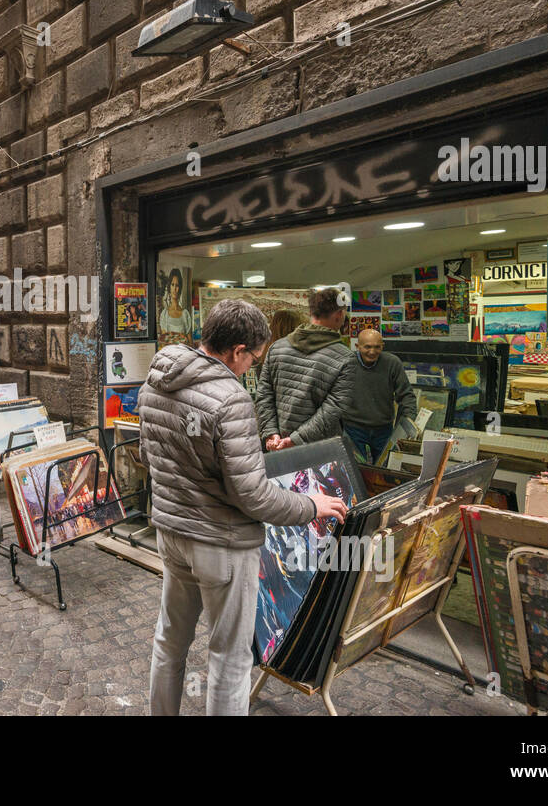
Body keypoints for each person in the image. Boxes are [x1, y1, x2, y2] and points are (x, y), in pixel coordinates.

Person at [138, 298, 348, 716]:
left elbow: (149, 457)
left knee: (169, 641)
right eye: (253, 357)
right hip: (221, 545)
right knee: (231, 660)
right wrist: (310, 503)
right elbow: (252, 493)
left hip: (172, 534)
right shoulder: (231, 399)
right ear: (237, 351)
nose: (252, 366)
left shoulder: (156, 380)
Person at [254, 287, 356, 451]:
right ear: (339, 315)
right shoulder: (346, 357)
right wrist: (295, 439)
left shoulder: (276, 347)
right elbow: (332, 411)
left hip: (277, 445)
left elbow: (264, 395)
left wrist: (271, 433)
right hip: (320, 449)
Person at [342, 329, 418, 463]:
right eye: (367, 347)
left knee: (385, 467)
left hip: (384, 429)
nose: (372, 351)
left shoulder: (392, 363)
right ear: (357, 346)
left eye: (377, 347)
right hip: (353, 428)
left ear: (382, 346)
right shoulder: (346, 363)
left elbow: (407, 396)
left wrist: (407, 425)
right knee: (356, 469)